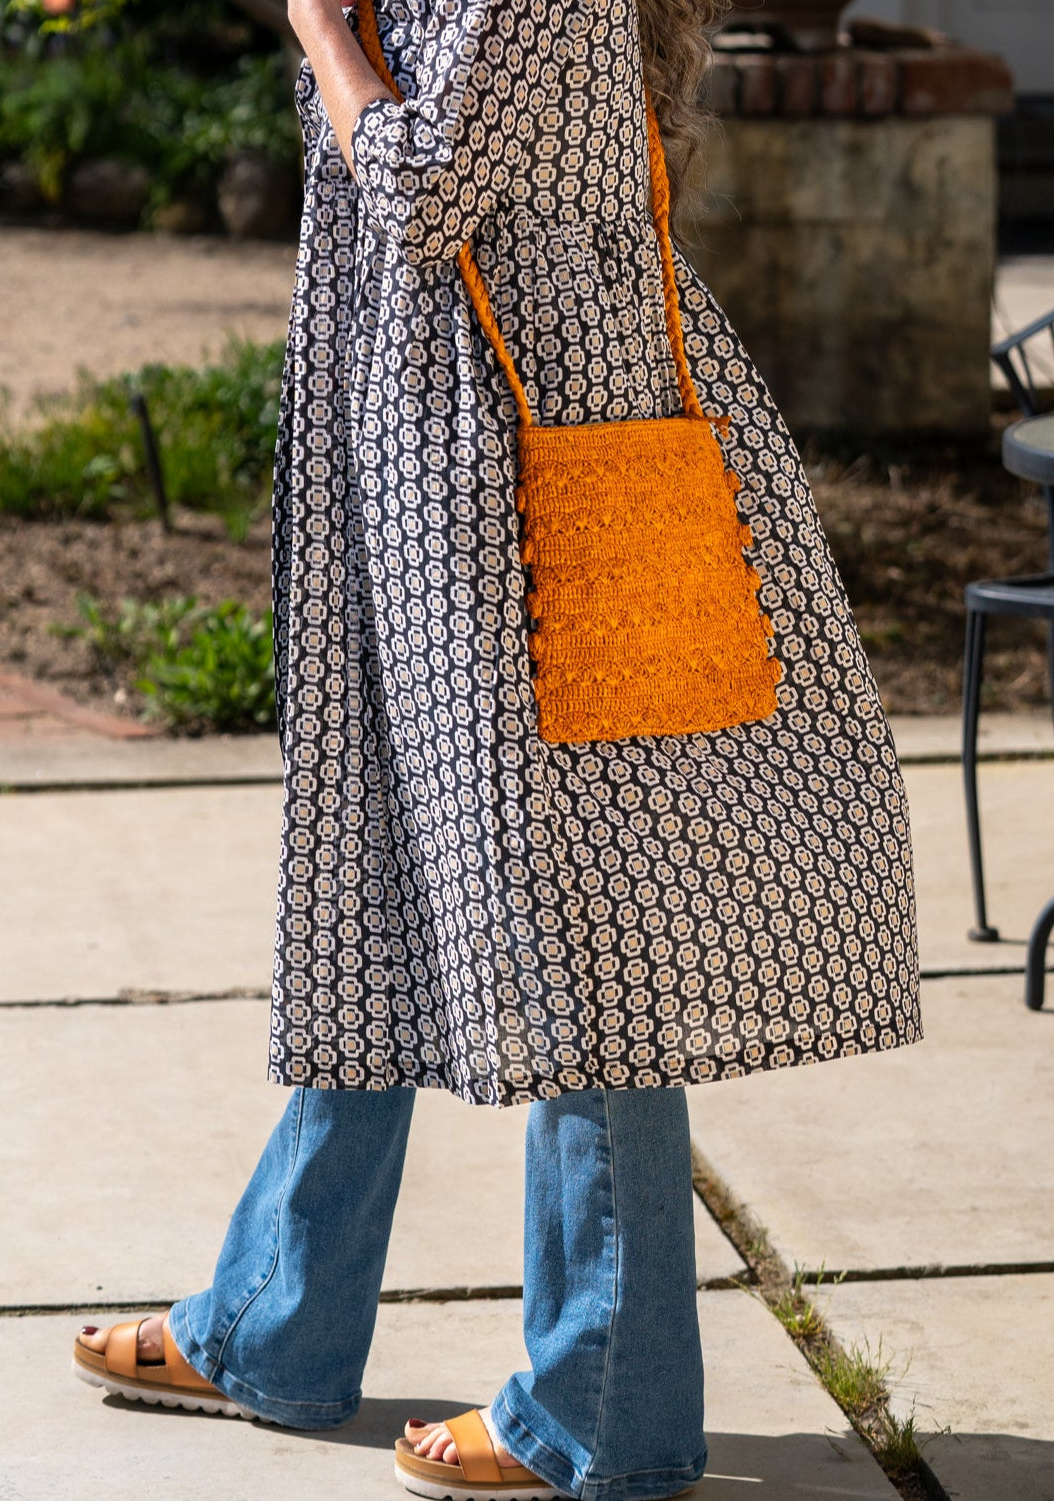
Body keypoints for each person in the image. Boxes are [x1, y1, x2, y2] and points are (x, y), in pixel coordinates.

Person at [72, 1, 923, 1497]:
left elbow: (417, 185)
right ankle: (280, 1317)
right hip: (431, 455)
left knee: (582, 933)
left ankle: (606, 1399)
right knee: (381, 871)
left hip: (534, 482)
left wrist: (322, 30)